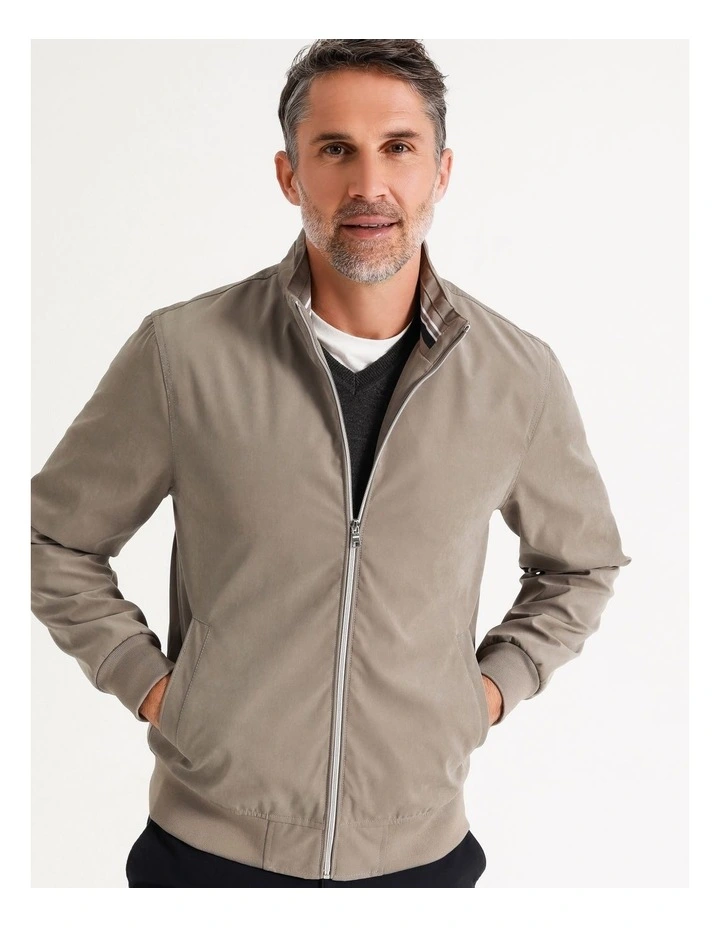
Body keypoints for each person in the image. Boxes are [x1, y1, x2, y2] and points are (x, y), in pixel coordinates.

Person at [31, 39, 632, 888]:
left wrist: (487, 693)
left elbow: (582, 565)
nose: (369, 184)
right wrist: (155, 688)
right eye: (336, 150)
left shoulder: (516, 376)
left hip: (422, 859)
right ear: (290, 175)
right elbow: (51, 540)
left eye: (399, 147)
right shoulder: (185, 353)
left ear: (442, 172)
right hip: (206, 853)